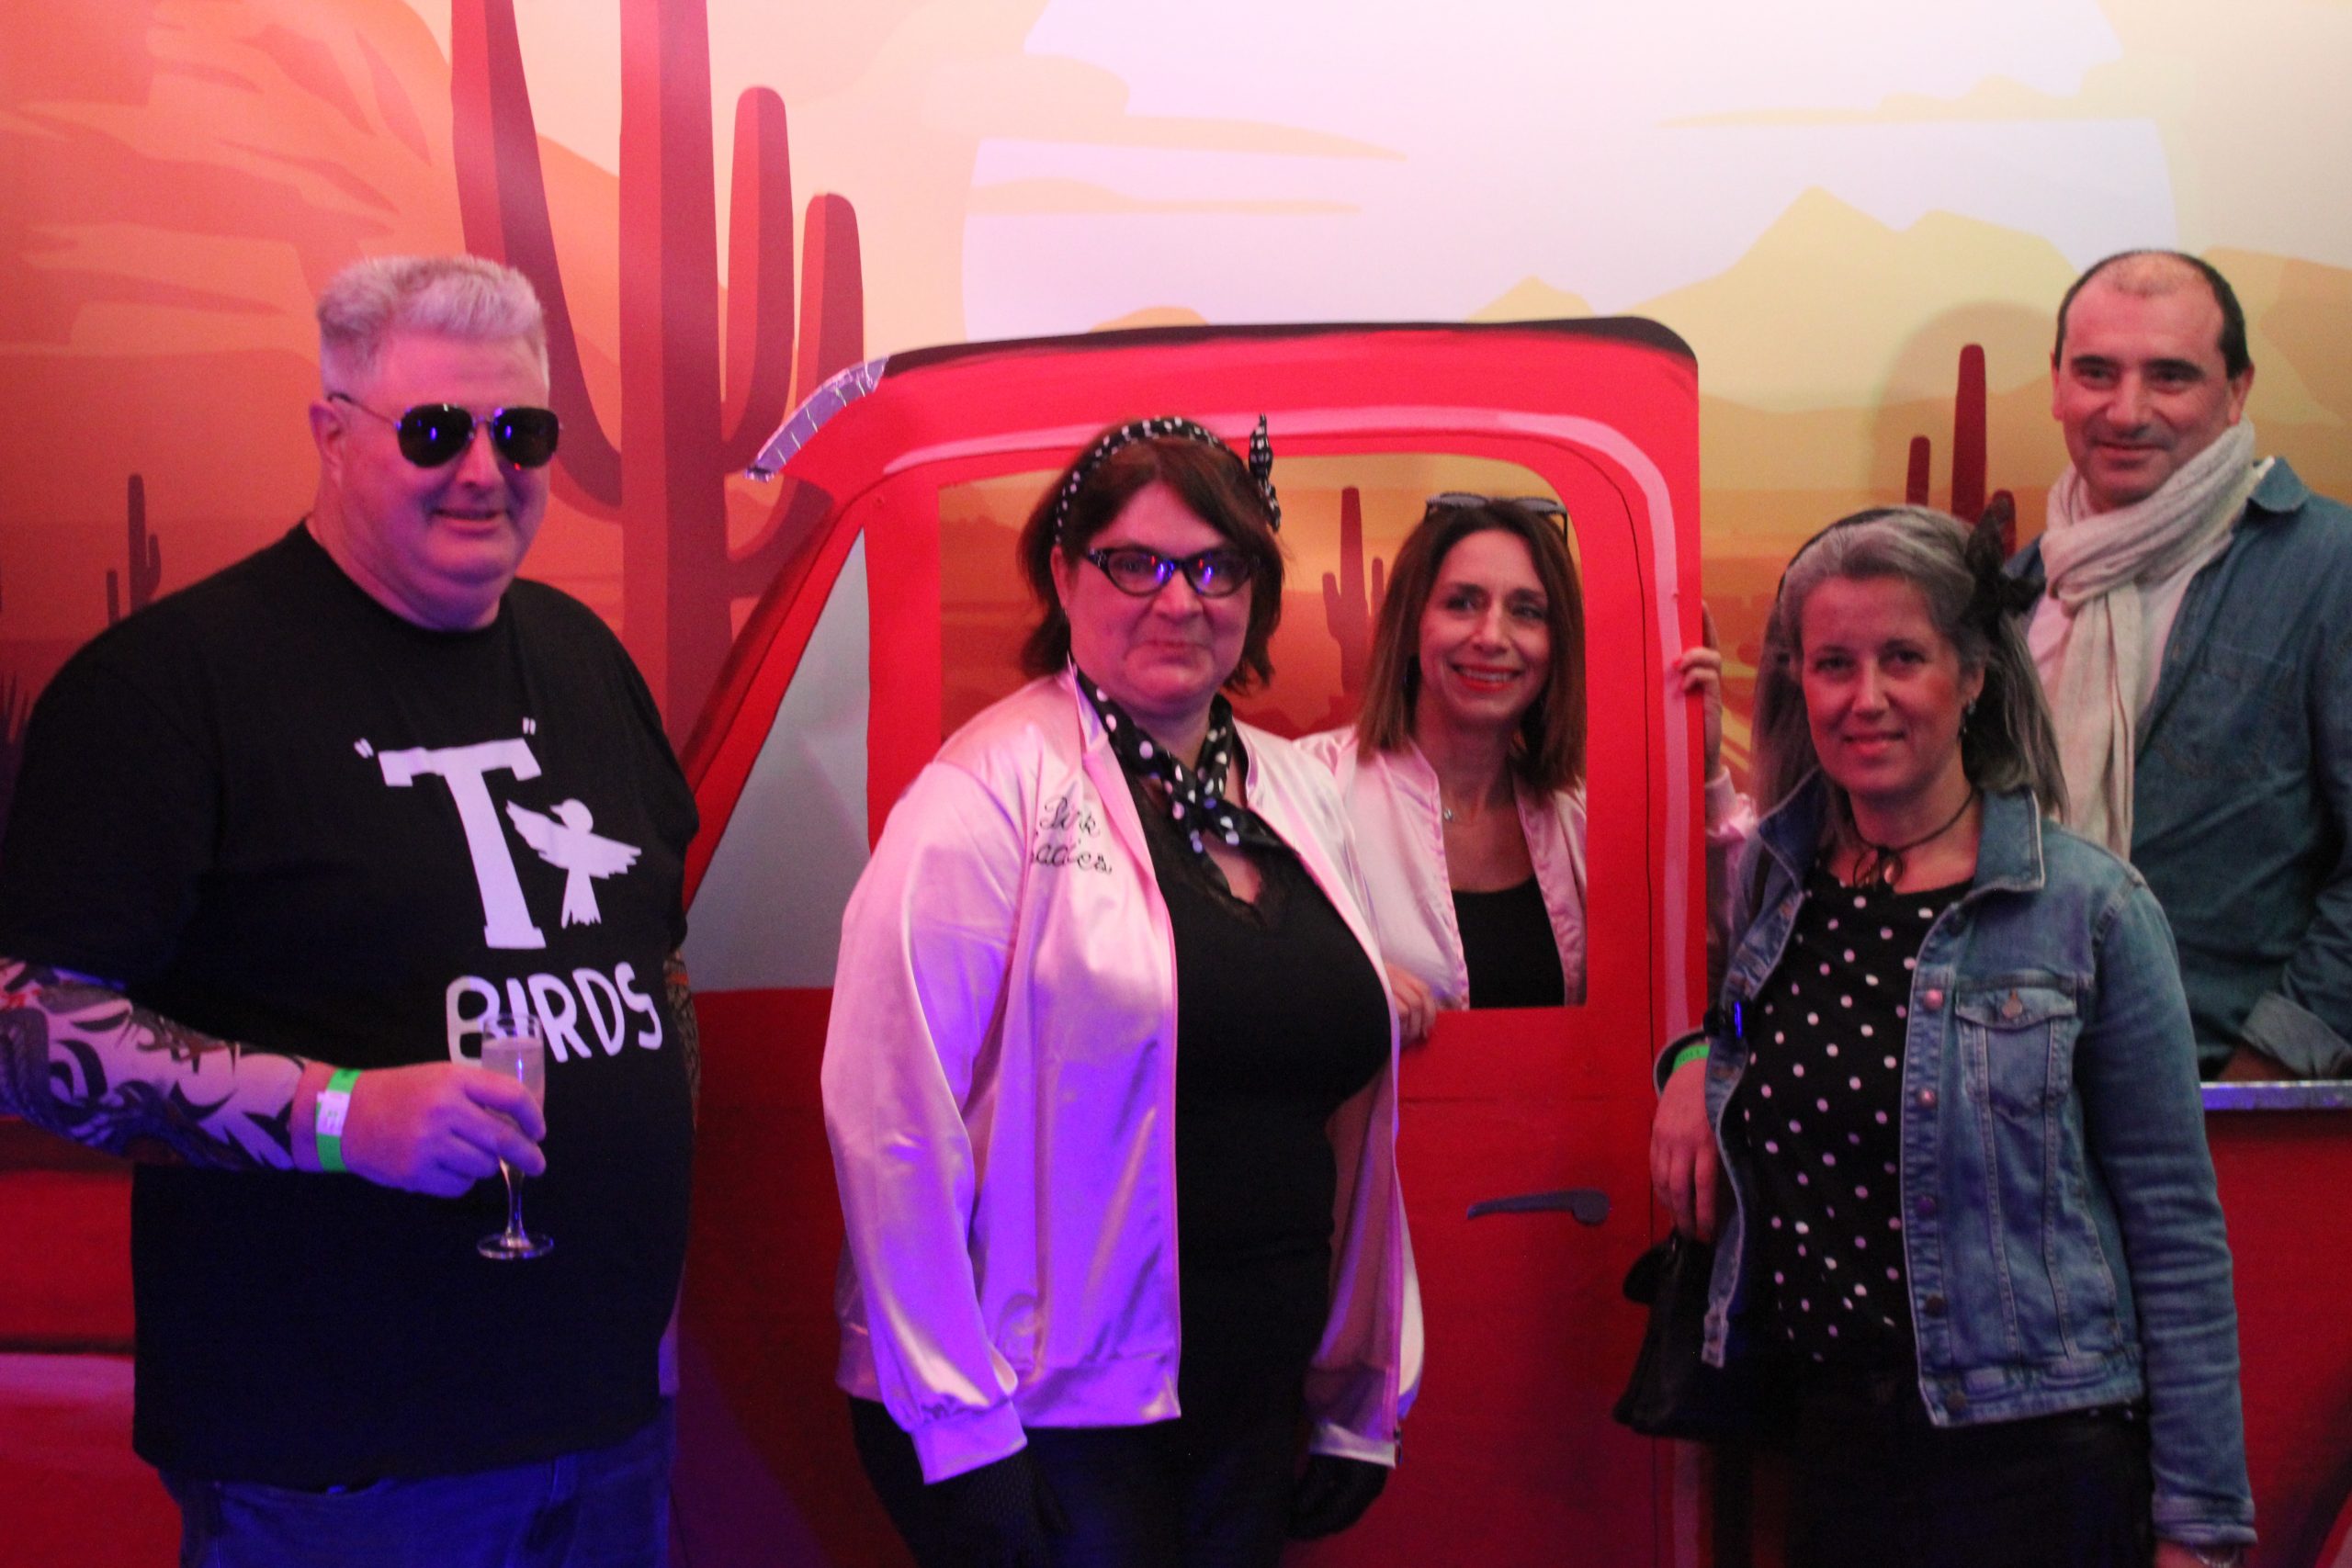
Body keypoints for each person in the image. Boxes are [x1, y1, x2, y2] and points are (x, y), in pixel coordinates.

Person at [0, 255, 698, 1566]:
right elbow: (30, 1029)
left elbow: (652, 961)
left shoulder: (584, 658)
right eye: (435, 432)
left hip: (605, 1431)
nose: (484, 469)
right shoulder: (171, 687)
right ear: (331, 434)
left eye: (521, 432)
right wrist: (337, 1116)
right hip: (337, 1467)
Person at [822, 416, 1414, 1568]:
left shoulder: (1295, 792)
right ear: (1063, 573)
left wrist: (1357, 1391)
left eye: (1215, 567)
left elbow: (1344, 1097)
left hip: (1252, 1401)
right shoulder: (983, 793)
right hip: (1048, 1419)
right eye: (1135, 563)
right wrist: (960, 1422)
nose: (1178, 600)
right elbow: (888, 1115)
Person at [1649, 506, 2253, 1568]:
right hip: (1833, 1448)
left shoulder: (2090, 910)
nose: (1865, 696)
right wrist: (1697, 1058)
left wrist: (2198, 1527)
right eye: (1833, 664)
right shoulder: (1779, 881)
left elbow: (2174, 1232)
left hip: (2033, 1461)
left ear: (1971, 675)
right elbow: (1745, 1017)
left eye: (1903, 658)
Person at [2018, 249, 2352, 1080]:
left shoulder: (2330, 570)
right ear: (2056, 384)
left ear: (2237, 391)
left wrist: (2270, 1070)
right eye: (2096, 372)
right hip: (2019, 1097)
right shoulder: (2016, 589)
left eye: (2170, 376)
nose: (2127, 410)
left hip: (2217, 1095)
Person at [1301, 494, 1748, 1037]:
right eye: (1462, 603)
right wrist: (1334, 987)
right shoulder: (1308, 790)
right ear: (1412, 626)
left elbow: (1720, 972)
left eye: (1527, 611)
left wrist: (1702, 776)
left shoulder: (1580, 818)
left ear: (1556, 646)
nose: (1492, 636)